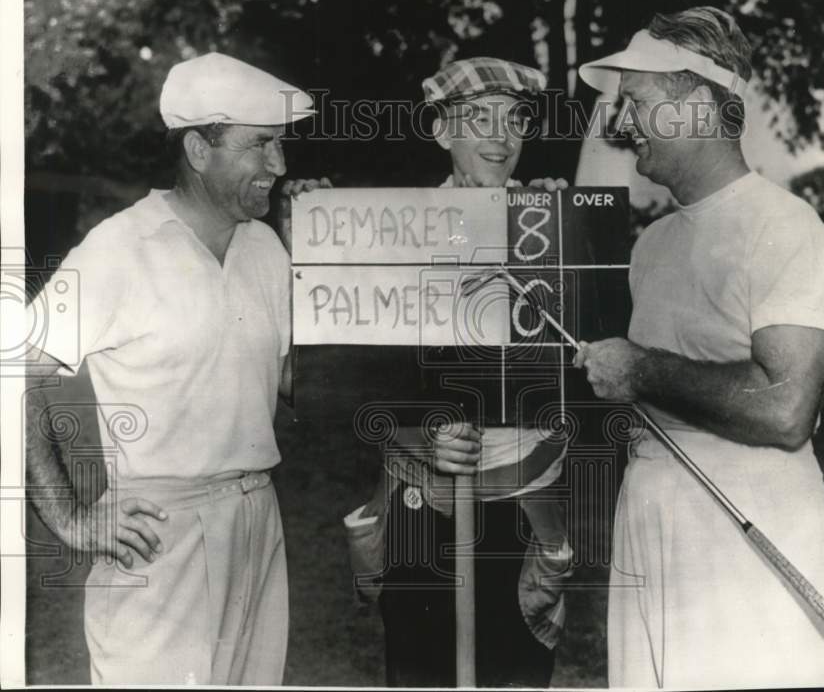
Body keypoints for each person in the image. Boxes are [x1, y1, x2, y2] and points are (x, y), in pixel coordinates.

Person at [24, 52, 325, 685]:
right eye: (261, 145)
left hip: (257, 520)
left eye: (281, 144)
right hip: (160, 534)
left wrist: (316, 260)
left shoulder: (267, 246)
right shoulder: (119, 248)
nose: (280, 165)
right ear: (198, 149)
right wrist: (69, 517)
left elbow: (290, 386)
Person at [573, 7, 824, 688]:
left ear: (696, 105)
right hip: (649, 516)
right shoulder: (651, 244)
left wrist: (641, 370)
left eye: (636, 101)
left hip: (750, 530)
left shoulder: (784, 224)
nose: (621, 123)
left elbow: (786, 410)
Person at [348, 57, 572, 687]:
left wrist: (569, 230)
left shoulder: (552, 220)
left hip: (521, 499)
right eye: (479, 119)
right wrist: (419, 434)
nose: (501, 137)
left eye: (515, 119)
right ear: (442, 131)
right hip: (423, 500)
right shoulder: (396, 230)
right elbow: (360, 373)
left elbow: (587, 369)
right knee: (419, 668)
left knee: (516, 670)